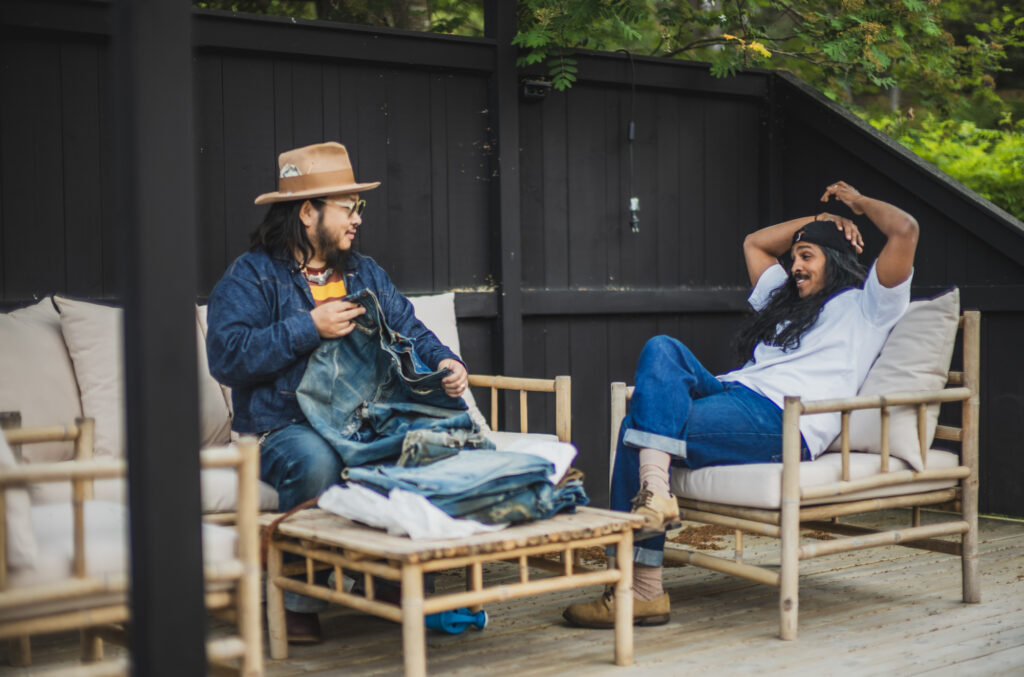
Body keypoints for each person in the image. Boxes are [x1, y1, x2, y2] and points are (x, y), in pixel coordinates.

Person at [563, 181, 919, 628]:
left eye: (807, 256)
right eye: (794, 257)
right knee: (663, 348)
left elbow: (905, 230)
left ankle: (642, 587)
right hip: (734, 393)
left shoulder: (868, 306)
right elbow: (755, 243)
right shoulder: (786, 301)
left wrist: (858, 205)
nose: (795, 266)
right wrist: (818, 221)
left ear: (836, 260)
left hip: (780, 418)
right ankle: (655, 499)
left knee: (635, 429)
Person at [206, 141, 469, 642]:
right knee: (318, 461)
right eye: (348, 207)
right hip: (283, 427)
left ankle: (388, 580)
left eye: (357, 207)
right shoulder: (251, 276)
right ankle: (297, 599)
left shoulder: (364, 272)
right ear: (308, 213)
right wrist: (309, 327)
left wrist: (445, 360)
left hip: (363, 418)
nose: (357, 219)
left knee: (424, 446)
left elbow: (410, 328)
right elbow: (227, 356)